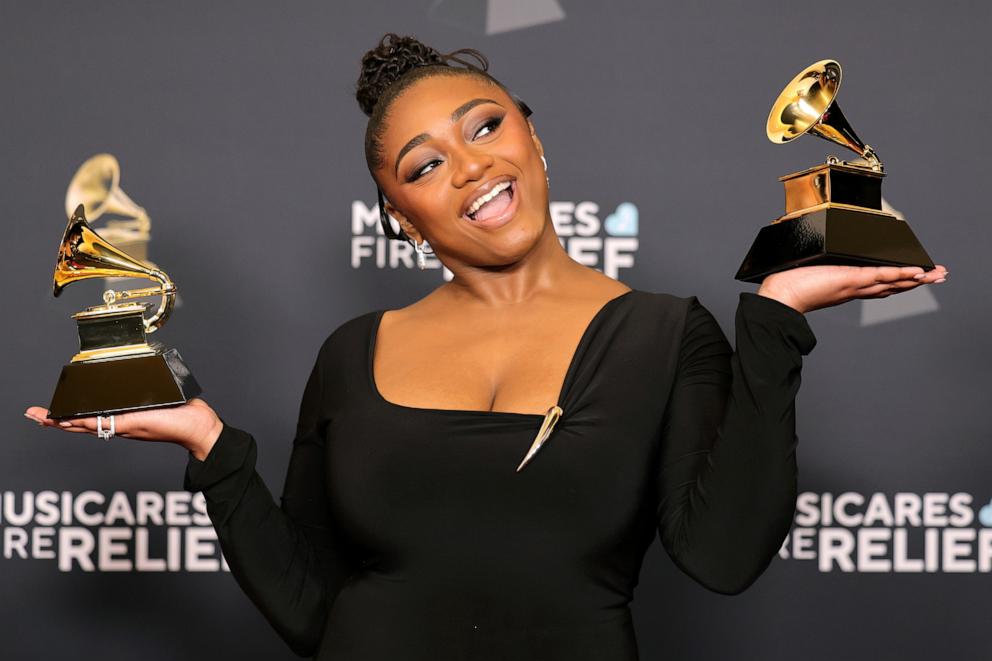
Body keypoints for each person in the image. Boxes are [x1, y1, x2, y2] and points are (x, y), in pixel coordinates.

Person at [25, 33, 948, 661]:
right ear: (399, 215)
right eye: (423, 165)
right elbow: (314, 612)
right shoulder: (352, 354)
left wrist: (777, 318)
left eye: (486, 125)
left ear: (533, 137)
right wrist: (210, 446)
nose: (469, 167)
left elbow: (723, 555)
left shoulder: (668, 333)